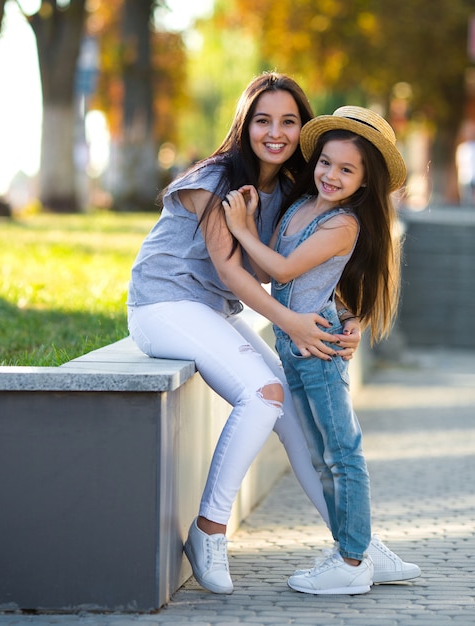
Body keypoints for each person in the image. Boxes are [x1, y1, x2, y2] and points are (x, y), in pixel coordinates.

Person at [126, 73, 420, 595]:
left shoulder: (289, 189)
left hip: (212, 312)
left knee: (297, 425)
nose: (276, 132)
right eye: (263, 120)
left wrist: (345, 319)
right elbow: (235, 269)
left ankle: (356, 544)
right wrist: (291, 323)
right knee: (264, 396)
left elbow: (313, 261)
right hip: (165, 305)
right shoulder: (216, 182)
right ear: (245, 125)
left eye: (289, 121)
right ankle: (208, 530)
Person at [222, 106, 416, 594]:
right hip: (295, 345)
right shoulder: (302, 206)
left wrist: (243, 230)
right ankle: (360, 546)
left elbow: (282, 270)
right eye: (327, 162)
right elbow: (278, 271)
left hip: (320, 349)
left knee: (341, 451)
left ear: (364, 182)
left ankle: (352, 563)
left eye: (347, 170)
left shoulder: (344, 225)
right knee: (317, 453)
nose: (331, 175)